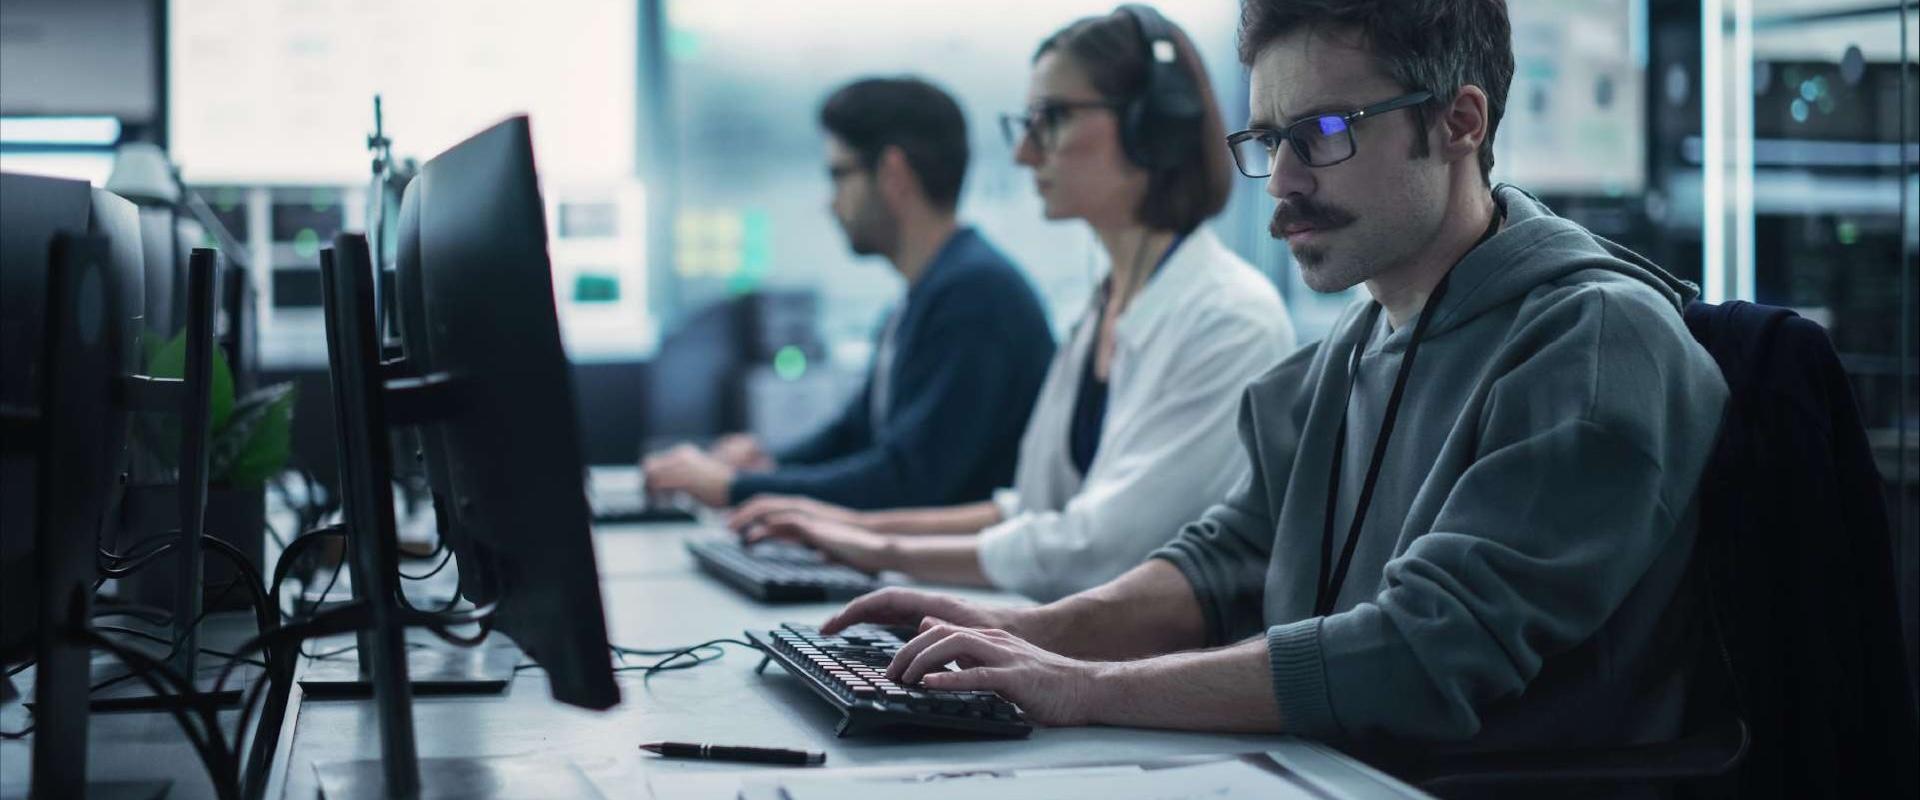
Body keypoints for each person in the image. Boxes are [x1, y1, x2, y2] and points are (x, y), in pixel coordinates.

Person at [815, 0, 1730, 759]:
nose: (1281, 180)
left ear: (1460, 122)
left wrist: (1084, 687)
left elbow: (1422, 653)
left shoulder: (1592, 339)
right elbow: (1223, 565)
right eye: (1268, 138)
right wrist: (1022, 632)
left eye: (1325, 132)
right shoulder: (1357, 340)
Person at [730, 6, 1295, 603]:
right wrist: (849, 527)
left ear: (1150, 126)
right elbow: (1030, 511)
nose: (1025, 152)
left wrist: (878, 549)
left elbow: (1098, 548)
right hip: (1068, 648)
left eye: (1051, 119)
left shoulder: (1229, 319)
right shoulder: (1102, 310)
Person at [643, 78, 1054, 511]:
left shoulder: (975, 295)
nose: (830, 201)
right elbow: (855, 437)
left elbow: (908, 483)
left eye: (840, 174)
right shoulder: (929, 292)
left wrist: (734, 489)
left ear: (893, 174)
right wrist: (766, 467)